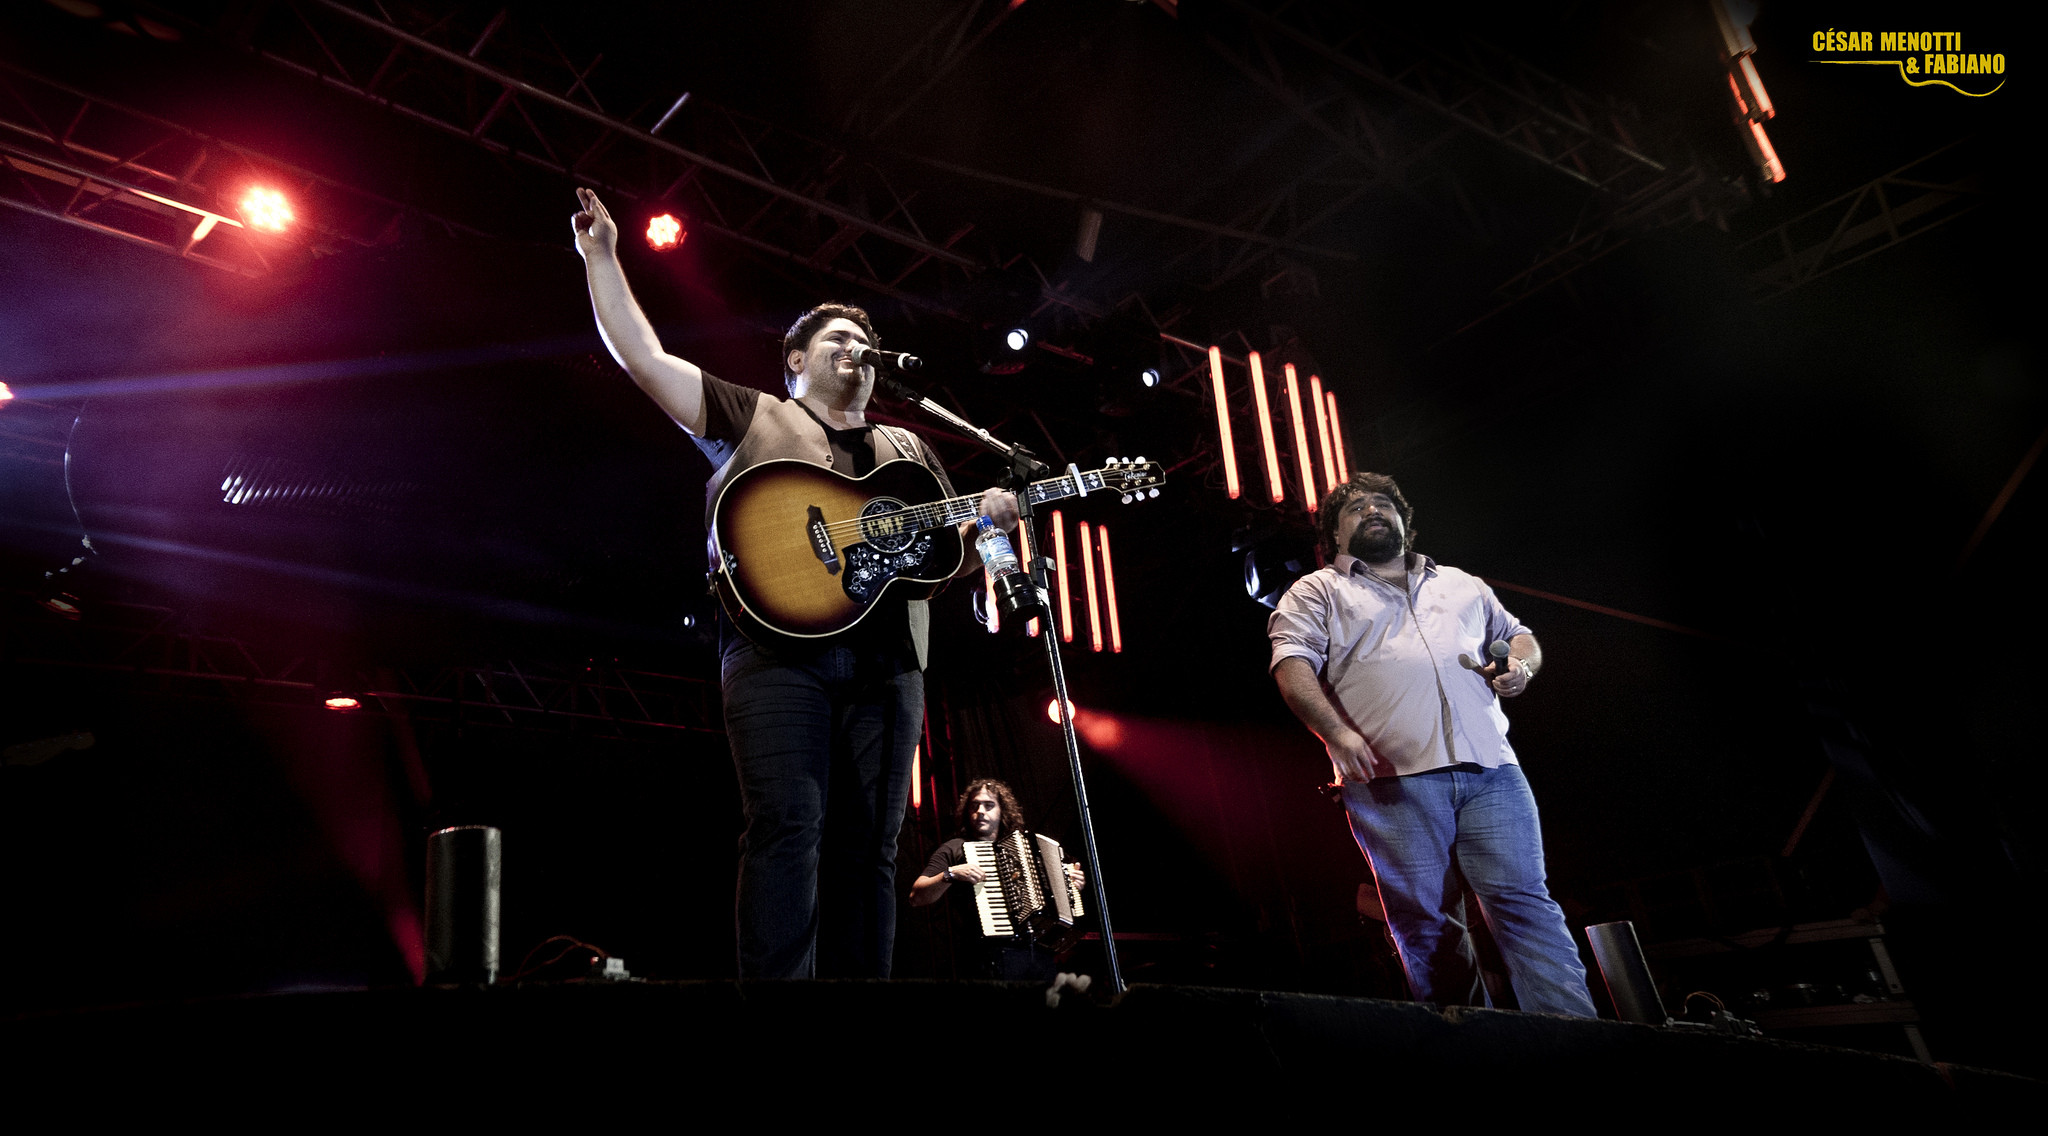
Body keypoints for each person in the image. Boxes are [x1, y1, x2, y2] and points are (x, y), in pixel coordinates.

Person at [572, 188, 1018, 979]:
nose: (856, 346)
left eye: (866, 339)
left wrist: (993, 533)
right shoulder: (754, 416)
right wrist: (603, 256)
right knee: (787, 826)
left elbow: (947, 568)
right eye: (838, 337)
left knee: (872, 851)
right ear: (796, 360)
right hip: (777, 656)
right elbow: (644, 359)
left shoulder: (912, 452)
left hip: (888, 667)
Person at [1267, 472, 1596, 1016]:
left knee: (1527, 907)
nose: (1373, 510)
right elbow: (1291, 663)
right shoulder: (1319, 590)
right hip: (1390, 780)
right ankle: (1469, 1051)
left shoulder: (1462, 584)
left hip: (1493, 772)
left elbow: (1521, 636)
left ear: (1403, 521)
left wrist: (1522, 667)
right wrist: (1336, 732)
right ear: (1335, 534)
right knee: (1427, 926)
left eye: (1383, 504)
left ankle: (1578, 1043)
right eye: (1355, 509)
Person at [909, 779, 1087, 981]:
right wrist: (949, 874)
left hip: (1039, 955)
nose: (980, 811)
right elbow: (916, 896)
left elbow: (1054, 896)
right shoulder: (955, 848)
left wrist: (1070, 885)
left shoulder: (1026, 848)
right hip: (985, 958)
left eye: (989, 805)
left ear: (1003, 810)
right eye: (974, 806)